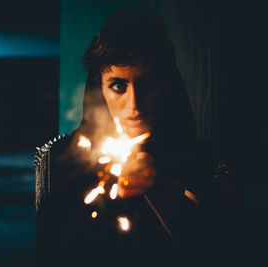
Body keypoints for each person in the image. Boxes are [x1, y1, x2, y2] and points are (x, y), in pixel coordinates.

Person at [34, 10, 238, 267]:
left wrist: (158, 189)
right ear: (100, 88)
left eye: (148, 84)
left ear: (166, 85)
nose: (134, 104)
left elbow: (219, 252)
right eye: (118, 86)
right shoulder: (59, 159)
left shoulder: (204, 161)